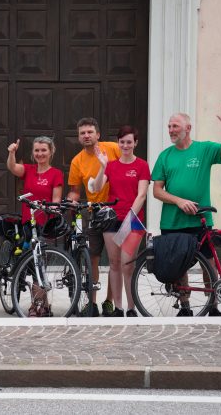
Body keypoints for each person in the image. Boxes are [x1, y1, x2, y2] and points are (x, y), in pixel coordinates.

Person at [151, 103, 221, 316]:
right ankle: (185, 306)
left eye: (175, 126)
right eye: (169, 126)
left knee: (208, 263)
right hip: (172, 221)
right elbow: (157, 191)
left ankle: (213, 305)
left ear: (188, 128)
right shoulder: (165, 155)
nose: (171, 130)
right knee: (179, 266)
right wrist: (179, 201)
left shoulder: (204, 149)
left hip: (200, 220)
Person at [90, 126, 150, 317]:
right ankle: (118, 307)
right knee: (114, 264)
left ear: (135, 143)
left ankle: (131, 307)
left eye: (129, 142)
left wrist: (131, 217)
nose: (125, 145)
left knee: (128, 264)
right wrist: (102, 166)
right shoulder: (112, 165)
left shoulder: (142, 165)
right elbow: (97, 188)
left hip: (132, 221)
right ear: (118, 143)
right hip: (112, 220)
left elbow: (142, 195)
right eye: (122, 142)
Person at [67, 117, 121, 317]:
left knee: (115, 261)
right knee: (93, 259)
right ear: (79, 137)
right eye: (82, 133)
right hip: (93, 212)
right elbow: (74, 191)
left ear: (98, 134)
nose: (86, 136)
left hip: (117, 210)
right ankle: (92, 303)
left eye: (90, 132)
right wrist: (70, 200)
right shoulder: (77, 161)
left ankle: (109, 302)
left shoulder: (114, 148)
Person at [7, 136, 64, 317]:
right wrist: (11, 153)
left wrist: (51, 208)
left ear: (51, 152)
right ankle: (39, 305)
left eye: (43, 150)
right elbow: (12, 168)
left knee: (40, 265)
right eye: (37, 150)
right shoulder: (29, 170)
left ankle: (39, 305)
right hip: (27, 223)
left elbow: (56, 200)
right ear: (33, 153)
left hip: (44, 224)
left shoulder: (56, 173)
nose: (40, 154)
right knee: (31, 265)